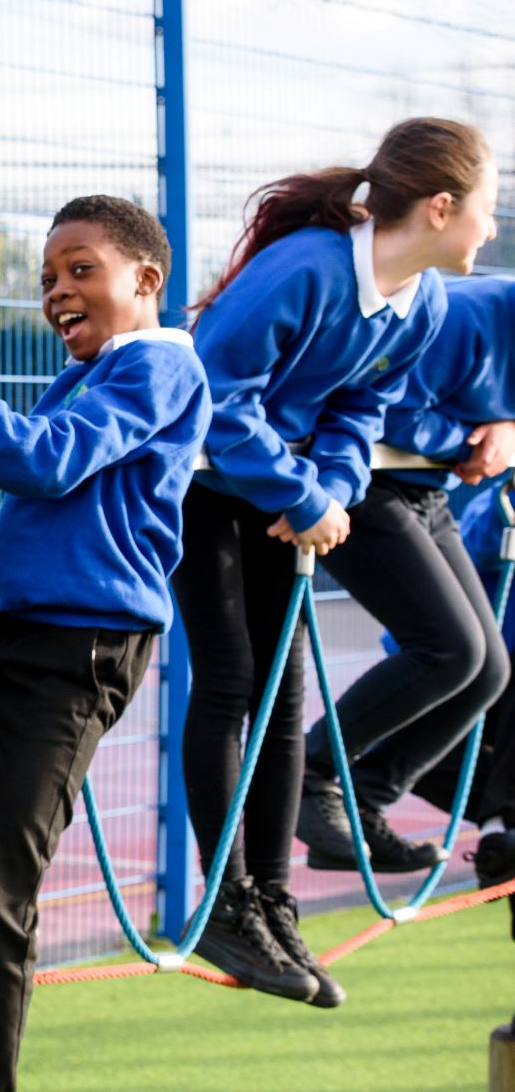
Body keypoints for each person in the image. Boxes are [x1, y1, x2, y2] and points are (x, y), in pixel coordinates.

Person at [0, 195, 210, 1092]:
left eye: (80, 268)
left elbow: (49, 458)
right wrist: (9, 539)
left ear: (146, 278)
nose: (56, 289)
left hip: (72, 658)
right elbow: (78, 486)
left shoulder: (161, 366)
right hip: (6, 630)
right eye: (48, 276)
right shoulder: (96, 371)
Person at [176, 117, 497, 1008]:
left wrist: (331, 489)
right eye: (489, 207)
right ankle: (224, 899)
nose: (493, 227)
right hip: (205, 485)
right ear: (441, 207)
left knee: (284, 698)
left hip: (281, 500)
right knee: (231, 680)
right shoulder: (307, 269)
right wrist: (298, 492)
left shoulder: (423, 301)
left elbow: (363, 405)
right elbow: (215, 396)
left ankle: (272, 900)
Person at [298, 274, 514, 877]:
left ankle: (364, 801)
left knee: (487, 671)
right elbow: (374, 410)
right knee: (450, 649)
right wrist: (470, 440)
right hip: (359, 481)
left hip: (425, 490)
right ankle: (309, 772)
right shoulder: (468, 317)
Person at [401, 485, 515, 905]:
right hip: (472, 670)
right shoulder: (498, 504)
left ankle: (500, 833)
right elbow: (482, 539)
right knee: (406, 748)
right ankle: (500, 831)